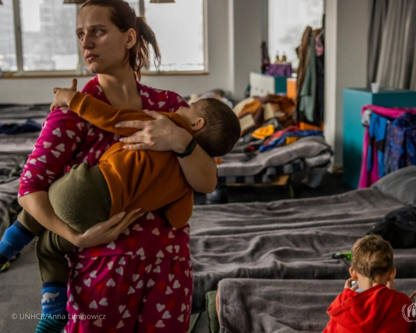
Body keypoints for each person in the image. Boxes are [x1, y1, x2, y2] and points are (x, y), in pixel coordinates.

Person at [4, 1, 218, 332]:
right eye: (80, 34)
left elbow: (206, 183)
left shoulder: (171, 107)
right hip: (102, 273)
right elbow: (29, 191)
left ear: (129, 37)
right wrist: (75, 238)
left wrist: (180, 141)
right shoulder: (72, 113)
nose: (85, 44)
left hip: (168, 269)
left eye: (97, 31)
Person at [0, 78, 240, 308]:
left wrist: (74, 100)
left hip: (88, 193)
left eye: (190, 107)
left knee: (47, 206)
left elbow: (113, 119)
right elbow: (179, 216)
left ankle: (7, 248)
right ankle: (53, 312)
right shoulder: (182, 172)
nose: (184, 107)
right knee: (48, 247)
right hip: (103, 219)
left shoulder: (166, 117)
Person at [323, 235, 415, 333]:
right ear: (392, 274)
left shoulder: (340, 307)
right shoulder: (403, 302)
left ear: (353, 273)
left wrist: (346, 297)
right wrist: (392, 295)